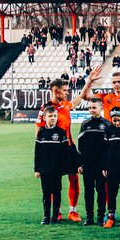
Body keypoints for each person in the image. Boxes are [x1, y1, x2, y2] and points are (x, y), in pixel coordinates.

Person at [80, 67, 120, 213]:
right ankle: (109, 213)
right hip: (108, 143)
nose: (116, 84)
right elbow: (84, 96)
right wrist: (89, 81)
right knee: (107, 179)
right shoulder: (106, 97)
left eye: (119, 82)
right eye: (114, 82)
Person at [36, 78, 82, 222]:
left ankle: (73, 211)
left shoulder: (65, 104)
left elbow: (77, 100)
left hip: (69, 147)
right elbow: (39, 132)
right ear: (56, 91)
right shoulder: (46, 109)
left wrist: (90, 82)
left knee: (74, 177)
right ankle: (57, 212)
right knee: (52, 180)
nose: (67, 93)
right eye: (65, 90)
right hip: (53, 149)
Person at [34, 106, 73, 225]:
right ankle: (46, 216)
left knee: (56, 192)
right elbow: (37, 152)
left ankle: (55, 217)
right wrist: (36, 169)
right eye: (50, 116)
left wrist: (65, 167)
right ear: (44, 118)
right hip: (44, 169)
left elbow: (65, 152)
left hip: (57, 169)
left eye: (55, 116)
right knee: (46, 193)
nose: (53, 118)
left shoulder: (61, 132)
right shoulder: (41, 132)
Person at [76, 97, 110, 226]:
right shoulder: (85, 124)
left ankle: (101, 217)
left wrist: (107, 165)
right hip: (88, 164)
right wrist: (80, 163)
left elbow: (109, 147)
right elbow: (80, 146)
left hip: (101, 165)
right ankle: (89, 217)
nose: (91, 110)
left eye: (94, 108)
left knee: (101, 191)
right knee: (88, 191)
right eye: (89, 108)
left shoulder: (107, 124)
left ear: (101, 108)